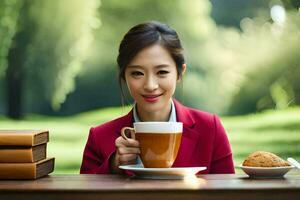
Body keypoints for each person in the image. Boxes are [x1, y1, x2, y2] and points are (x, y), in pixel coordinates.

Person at [80, 21, 235, 174]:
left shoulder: (210, 129)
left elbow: (229, 195)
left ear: (180, 73)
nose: (150, 85)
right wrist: (113, 166)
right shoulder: (99, 138)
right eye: (137, 73)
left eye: (162, 72)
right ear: (124, 76)